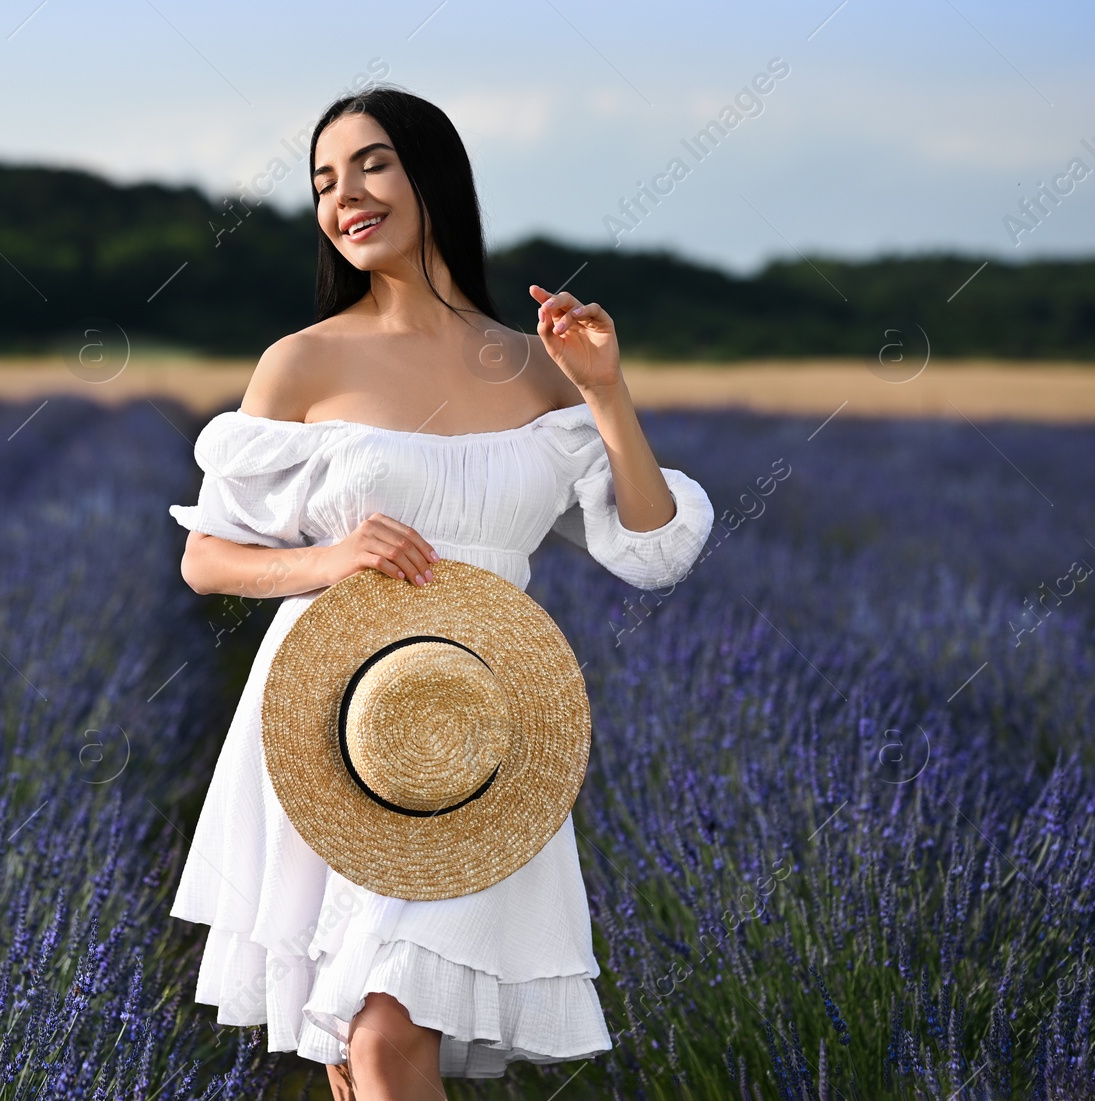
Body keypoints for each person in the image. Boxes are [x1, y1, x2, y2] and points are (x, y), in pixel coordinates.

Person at [168, 85, 715, 1099]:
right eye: (324, 181)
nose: (345, 197)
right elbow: (208, 559)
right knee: (368, 1043)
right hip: (332, 719)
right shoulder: (301, 362)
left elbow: (652, 548)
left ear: (433, 174)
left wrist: (604, 389)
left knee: (379, 1034)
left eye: (370, 164)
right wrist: (323, 562)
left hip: (489, 733)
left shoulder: (538, 372)